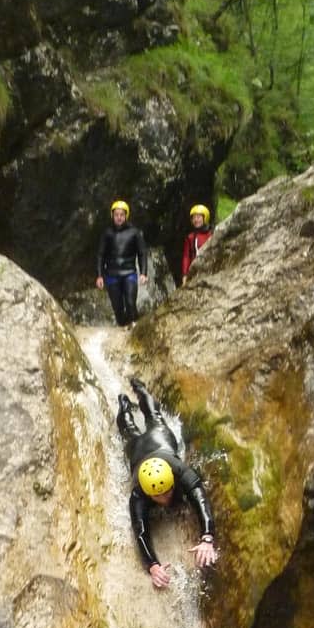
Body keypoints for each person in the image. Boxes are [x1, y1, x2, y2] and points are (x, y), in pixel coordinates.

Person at [116, 377, 218, 589]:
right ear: (146, 493)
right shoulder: (138, 496)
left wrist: (207, 537)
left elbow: (199, 496)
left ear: (173, 481)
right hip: (138, 451)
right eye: (158, 495)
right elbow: (140, 531)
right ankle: (123, 404)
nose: (164, 498)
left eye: (167, 491)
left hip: (160, 438)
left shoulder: (179, 470)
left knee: (154, 416)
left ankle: (141, 391)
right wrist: (152, 565)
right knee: (128, 429)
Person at [96, 200, 148, 327]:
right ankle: (124, 329)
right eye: (116, 215)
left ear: (126, 216)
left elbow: (142, 253)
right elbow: (100, 255)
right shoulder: (107, 233)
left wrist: (143, 273)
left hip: (129, 273)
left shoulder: (134, 233)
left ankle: (136, 327)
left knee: (130, 303)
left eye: (121, 215)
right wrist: (99, 275)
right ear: (112, 216)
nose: (119, 218)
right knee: (118, 309)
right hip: (112, 275)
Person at [181, 204, 212, 285]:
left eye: (198, 217)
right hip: (195, 270)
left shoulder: (212, 235)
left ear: (204, 218)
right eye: (194, 218)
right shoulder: (190, 237)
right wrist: (185, 274)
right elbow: (186, 256)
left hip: (209, 268)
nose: (196, 220)